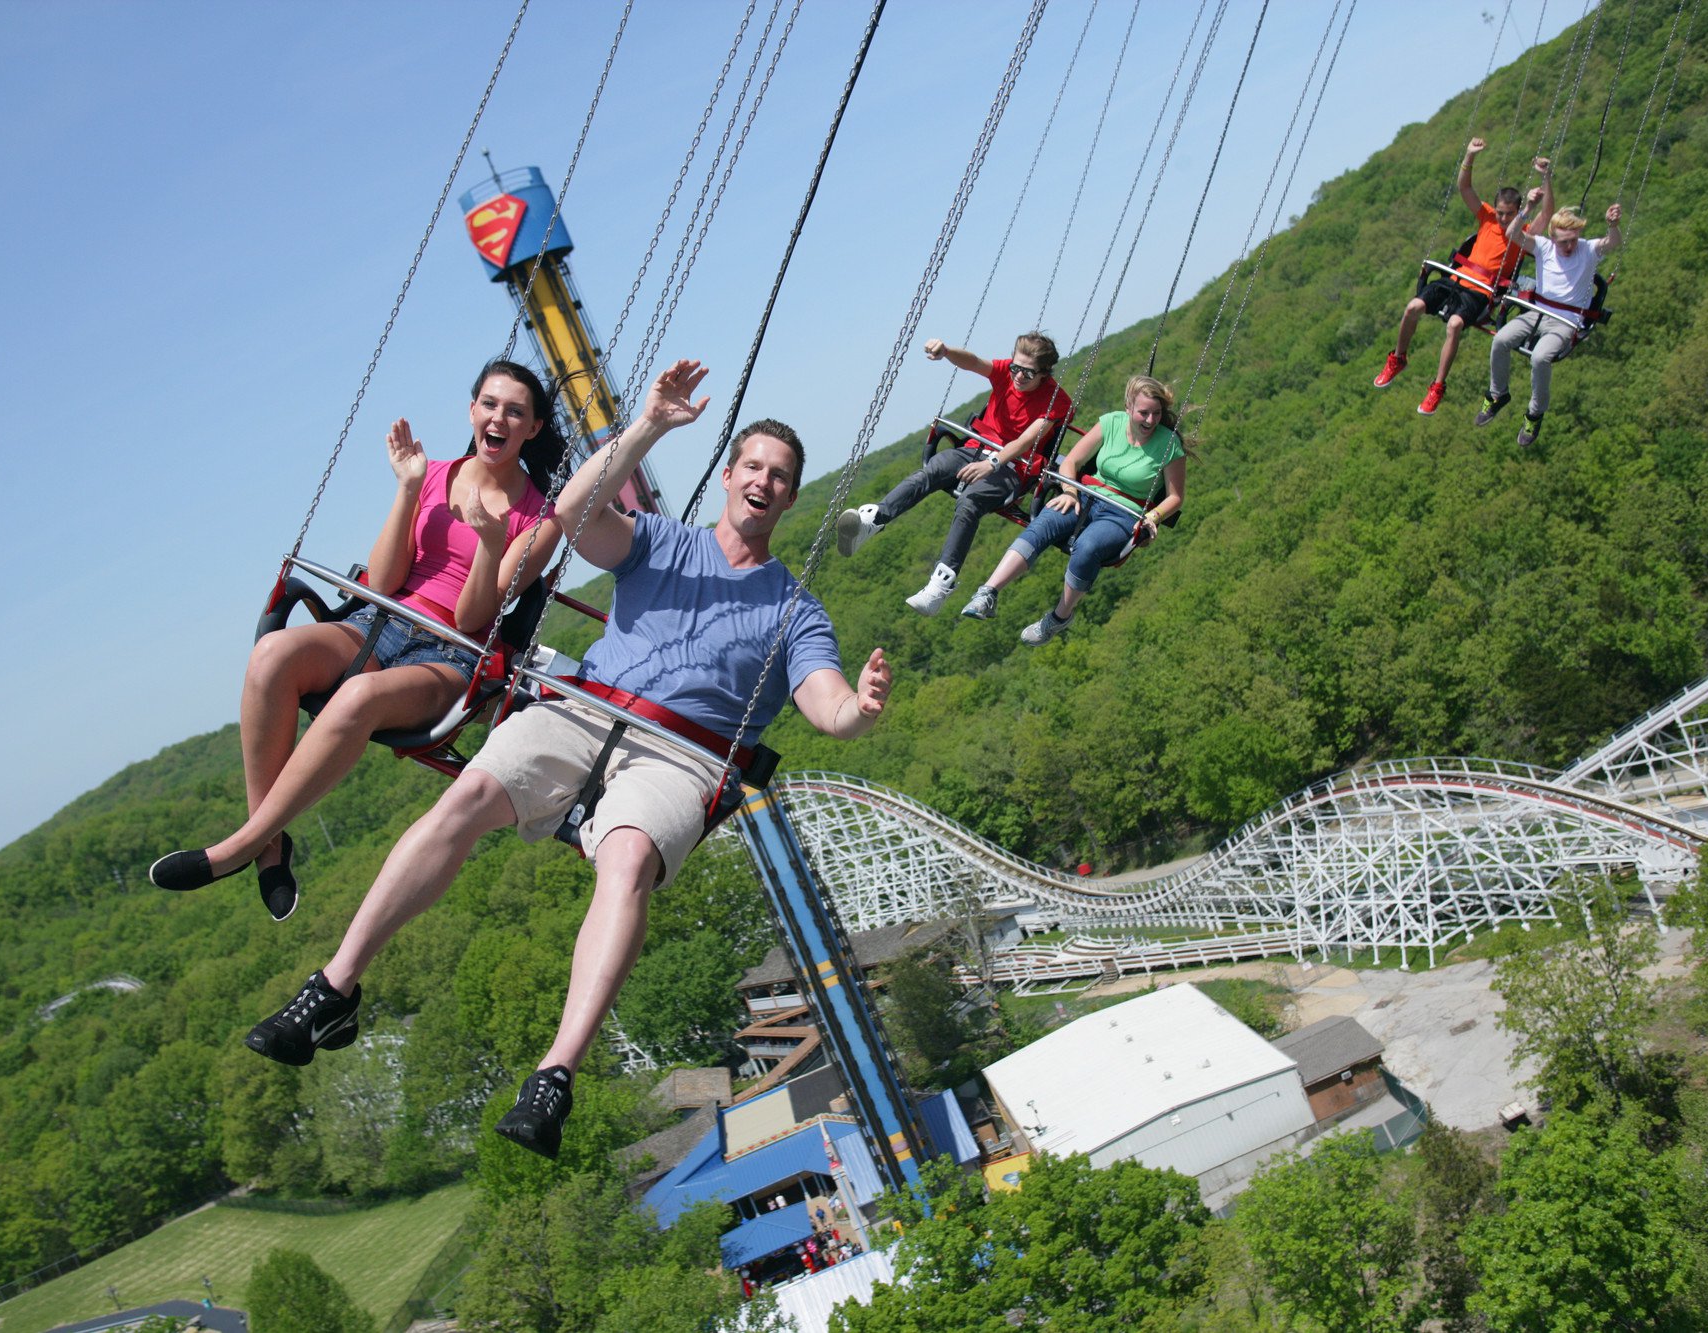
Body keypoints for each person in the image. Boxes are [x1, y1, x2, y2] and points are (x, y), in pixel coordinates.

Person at [241, 360, 892, 1160]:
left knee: (625, 860)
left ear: (790, 498)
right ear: (727, 477)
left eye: (779, 476)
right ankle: (333, 987)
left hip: (680, 756)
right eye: (751, 465)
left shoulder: (795, 608)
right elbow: (576, 515)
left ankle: (554, 1075)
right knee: (466, 798)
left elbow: (823, 703)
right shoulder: (657, 540)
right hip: (584, 708)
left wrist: (856, 712)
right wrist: (647, 426)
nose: (762, 481)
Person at [148, 361, 566, 921]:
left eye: (515, 411)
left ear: (533, 428)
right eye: (489, 404)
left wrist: (490, 543)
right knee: (272, 655)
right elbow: (387, 580)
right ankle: (270, 844)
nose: (499, 418)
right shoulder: (435, 475)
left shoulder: (540, 518)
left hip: (449, 655)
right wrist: (409, 491)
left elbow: (473, 618)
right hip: (381, 623)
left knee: (358, 699)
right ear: (472, 411)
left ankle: (240, 848)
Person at [836, 332, 1072, 613]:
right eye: (1015, 368)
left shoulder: (1056, 399)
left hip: (1012, 466)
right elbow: (973, 362)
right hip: (975, 447)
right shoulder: (1005, 374)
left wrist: (992, 463)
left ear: (1044, 374)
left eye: (1028, 373)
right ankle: (872, 520)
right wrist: (947, 351)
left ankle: (939, 586)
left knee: (969, 502)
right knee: (932, 471)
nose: (1019, 376)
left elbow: (1026, 441)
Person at [957, 374, 1186, 644]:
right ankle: (988, 592)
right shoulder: (1111, 422)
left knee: (1088, 546)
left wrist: (1153, 517)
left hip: (1123, 512)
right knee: (1044, 523)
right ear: (1129, 408)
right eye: (1143, 413)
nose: (1150, 421)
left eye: (1156, 414)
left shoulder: (1168, 444)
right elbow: (1072, 463)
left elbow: (1175, 497)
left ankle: (1059, 617)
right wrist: (1070, 491)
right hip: (1085, 495)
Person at [1374, 140, 1542, 415]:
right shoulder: (1487, 217)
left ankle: (1437, 387)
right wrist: (1469, 156)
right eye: (1499, 212)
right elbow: (1465, 188)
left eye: (1508, 214)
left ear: (1518, 212)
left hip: (1481, 292)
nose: (1501, 218)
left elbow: (1541, 219)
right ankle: (1398, 358)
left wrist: (1541, 195)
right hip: (1457, 278)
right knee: (1413, 307)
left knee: (1453, 325)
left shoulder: (1521, 231)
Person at [1477, 157, 1623, 446]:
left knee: (1541, 357)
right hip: (1536, 312)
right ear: (1552, 237)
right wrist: (1528, 208)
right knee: (1500, 340)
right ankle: (1497, 393)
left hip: (1565, 322)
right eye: (1562, 241)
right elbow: (1512, 233)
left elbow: (1612, 243)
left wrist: (1613, 226)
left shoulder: (1587, 249)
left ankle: (1534, 413)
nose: (1568, 247)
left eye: (1572, 240)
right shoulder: (1543, 246)